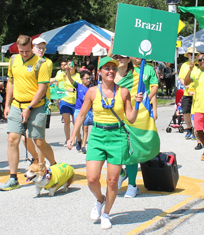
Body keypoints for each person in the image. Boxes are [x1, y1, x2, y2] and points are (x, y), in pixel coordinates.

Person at [67, 57, 143, 229]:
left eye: (113, 68)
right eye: (107, 68)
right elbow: (80, 115)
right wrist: (73, 136)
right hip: (97, 136)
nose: (110, 71)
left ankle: (107, 213)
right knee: (92, 178)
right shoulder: (92, 91)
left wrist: (137, 103)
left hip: (117, 137)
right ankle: (100, 200)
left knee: (112, 180)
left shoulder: (123, 92)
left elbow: (130, 118)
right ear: (99, 72)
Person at [0, 35, 56, 191]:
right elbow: (10, 82)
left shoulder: (41, 64)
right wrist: (7, 104)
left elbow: (42, 88)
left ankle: (55, 167)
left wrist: (29, 108)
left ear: (32, 47)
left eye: (26, 51)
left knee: (39, 142)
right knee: (12, 139)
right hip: (17, 104)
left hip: (36, 105)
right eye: (21, 51)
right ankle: (13, 178)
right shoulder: (13, 60)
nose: (24, 54)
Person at [116, 56, 159, 198]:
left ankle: (132, 184)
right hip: (117, 114)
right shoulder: (117, 71)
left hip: (138, 112)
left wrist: (148, 100)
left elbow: (154, 86)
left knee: (131, 150)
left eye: (123, 57)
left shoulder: (147, 69)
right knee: (115, 149)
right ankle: (122, 172)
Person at [57, 60, 82, 147]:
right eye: (68, 66)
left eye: (71, 66)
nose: (69, 68)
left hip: (75, 102)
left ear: (75, 67)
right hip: (65, 100)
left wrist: (74, 89)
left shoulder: (79, 76)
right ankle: (68, 139)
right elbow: (54, 80)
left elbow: (81, 88)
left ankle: (78, 138)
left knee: (76, 123)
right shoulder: (64, 75)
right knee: (66, 122)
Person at [68, 69, 93, 154]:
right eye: (87, 78)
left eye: (90, 78)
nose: (89, 80)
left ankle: (83, 145)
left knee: (85, 128)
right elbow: (70, 78)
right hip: (78, 109)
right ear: (82, 79)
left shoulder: (92, 88)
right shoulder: (78, 86)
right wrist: (68, 71)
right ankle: (79, 140)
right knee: (77, 126)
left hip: (88, 110)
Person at [178, 47, 198, 140]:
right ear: (188, 55)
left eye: (195, 54)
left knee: (196, 113)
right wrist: (184, 84)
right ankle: (189, 127)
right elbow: (181, 77)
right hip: (187, 93)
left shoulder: (199, 65)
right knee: (186, 111)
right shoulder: (184, 65)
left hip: (197, 93)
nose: (193, 56)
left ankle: (196, 130)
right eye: (191, 54)